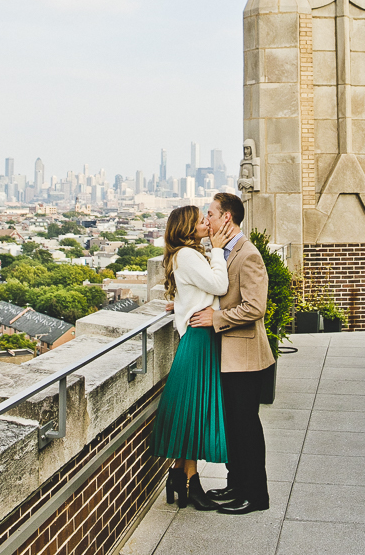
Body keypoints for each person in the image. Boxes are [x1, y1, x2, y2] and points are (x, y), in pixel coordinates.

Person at [190, 192, 274, 515]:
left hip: (246, 358)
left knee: (247, 428)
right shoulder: (223, 252)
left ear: (227, 218)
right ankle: (237, 483)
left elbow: (255, 307)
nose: (206, 219)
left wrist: (217, 319)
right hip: (228, 357)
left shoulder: (248, 254)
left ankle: (256, 495)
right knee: (233, 427)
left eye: (210, 213)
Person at [150, 204, 234, 510]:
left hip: (201, 339)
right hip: (199, 341)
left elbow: (197, 291)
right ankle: (188, 480)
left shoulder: (186, 255)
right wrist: (218, 250)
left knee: (193, 414)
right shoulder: (188, 255)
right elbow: (219, 285)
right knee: (194, 413)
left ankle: (180, 475)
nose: (206, 224)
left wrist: (181, 304)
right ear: (187, 228)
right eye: (201, 221)